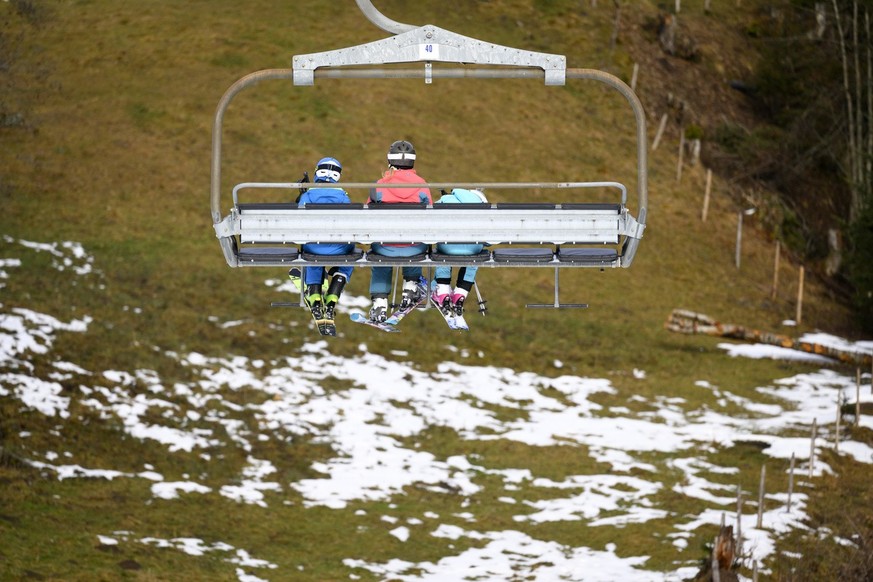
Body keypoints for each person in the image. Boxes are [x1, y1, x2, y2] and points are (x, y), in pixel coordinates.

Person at [366, 140, 432, 322]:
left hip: (384, 246)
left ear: (390, 161)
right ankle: (410, 287)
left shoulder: (379, 185)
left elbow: (367, 214)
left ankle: (379, 304)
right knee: (415, 241)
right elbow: (430, 216)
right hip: (414, 246)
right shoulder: (422, 185)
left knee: (381, 255)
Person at [294, 156, 354, 324]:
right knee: (349, 257)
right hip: (339, 248)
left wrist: (302, 195)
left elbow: (298, 218)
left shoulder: (310, 194)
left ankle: (314, 297)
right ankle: (333, 297)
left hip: (313, 247)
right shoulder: (343, 196)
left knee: (313, 256)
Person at [430, 188, 488, 318]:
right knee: (474, 258)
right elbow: (490, 238)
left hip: (447, 247)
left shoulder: (446, 199)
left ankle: (443, 292)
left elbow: (430, 221)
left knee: (443, 253)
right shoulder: (483, 208)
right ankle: (460, 295)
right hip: (473, 249)